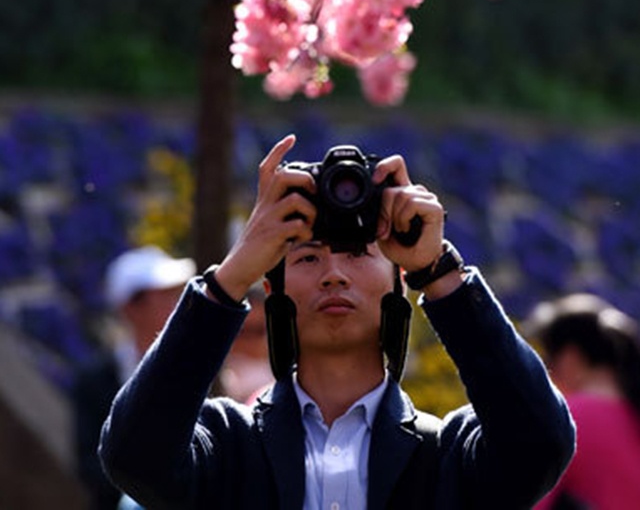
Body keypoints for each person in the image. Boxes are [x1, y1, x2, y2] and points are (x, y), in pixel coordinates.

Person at [99, 135, 575, 509]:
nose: (333, 275)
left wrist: (441, 274)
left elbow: (540, 445)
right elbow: (134, 457)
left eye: (358, 253)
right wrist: (231, 275)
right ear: (272, 291)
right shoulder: (226, 448)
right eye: (306, 259)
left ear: (400, 280)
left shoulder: (448, 458)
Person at [72, 246, 195, 509]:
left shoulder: (202, 365)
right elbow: (89, 463)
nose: (175, 302)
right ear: (130, 308)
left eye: (175, 293)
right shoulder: (95, 380)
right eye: (162, 295)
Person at [524, 292, 640, 510]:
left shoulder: (568, 418)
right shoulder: (631, 410)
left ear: (570, 358)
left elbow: (530, 503)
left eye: (545, 359)